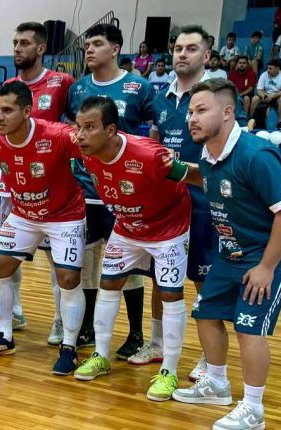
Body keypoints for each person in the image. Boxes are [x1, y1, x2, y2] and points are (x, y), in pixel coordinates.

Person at [172, 78, 281, 430]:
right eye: (190, 111)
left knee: (248, 327)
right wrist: (173, 170)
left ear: (228, 112)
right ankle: (216, 383)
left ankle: (253, 410)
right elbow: (208, 180)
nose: (192, 118)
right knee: (206, 311)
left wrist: (267, 267)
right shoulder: (208, 153)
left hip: (274, 252)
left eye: (201, 110)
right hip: (233, 251)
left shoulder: (254, 154)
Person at [73, 96, 195, 404]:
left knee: (170, 293)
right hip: (127, 227)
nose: (81, 135)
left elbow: (196, 176)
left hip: (169, 229)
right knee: (109, 283)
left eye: (89, 127)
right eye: (78, 127)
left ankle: (169, 371)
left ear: (111, 130)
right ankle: (101, 355)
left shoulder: (150, 155)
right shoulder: (85, 153)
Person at [0, 81, 87, 378]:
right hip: (24, 214)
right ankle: (4, 336)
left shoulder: (58, 135)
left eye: (7, 110)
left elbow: (96, 145)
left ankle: (69, 346)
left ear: (27, 111)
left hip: (64, 214)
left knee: (67, 277)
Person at [66, 22, 153, 358]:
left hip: (126, 194)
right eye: (87, 44)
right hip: (86, 190)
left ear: (115, 49)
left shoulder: (138, 86)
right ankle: (86, 327)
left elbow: (154, 128)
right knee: (88, 263)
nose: (89, 49)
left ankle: (135, 333)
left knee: (129, 266)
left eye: (97, 43)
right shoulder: (78, 89)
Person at [149, 24, 221, 382]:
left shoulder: (216, 97)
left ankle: (211, 358)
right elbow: (155, 142)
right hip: (166, 202)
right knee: (161, 276)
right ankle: (157, 342)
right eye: (178, 48)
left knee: (203, 281)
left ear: (206, 56)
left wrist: (181, 169)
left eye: (191, 49)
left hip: (204, 202)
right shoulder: (160, 97)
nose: (182, 54)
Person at [0, 21, 76, 336]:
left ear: (41, 48)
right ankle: (14, 311)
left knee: (58, 261)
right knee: (6, 253)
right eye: (15, 42)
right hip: (13, 186)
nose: (18, 48)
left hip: (52, 189)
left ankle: (60, 319)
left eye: (25, 43)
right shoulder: (8, 88)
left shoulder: (62, 82)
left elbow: (75, 126)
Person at [251, 60, 281, 126]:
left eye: (270, 68)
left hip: (277, 96)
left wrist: (272, 96)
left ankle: (280, 122)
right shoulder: (264, 74)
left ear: (277, 68)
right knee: (255, 99)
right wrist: (263, 96)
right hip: (265, 96)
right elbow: (259, 89)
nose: (268, 70)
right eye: (267, 68)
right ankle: (252, 120)